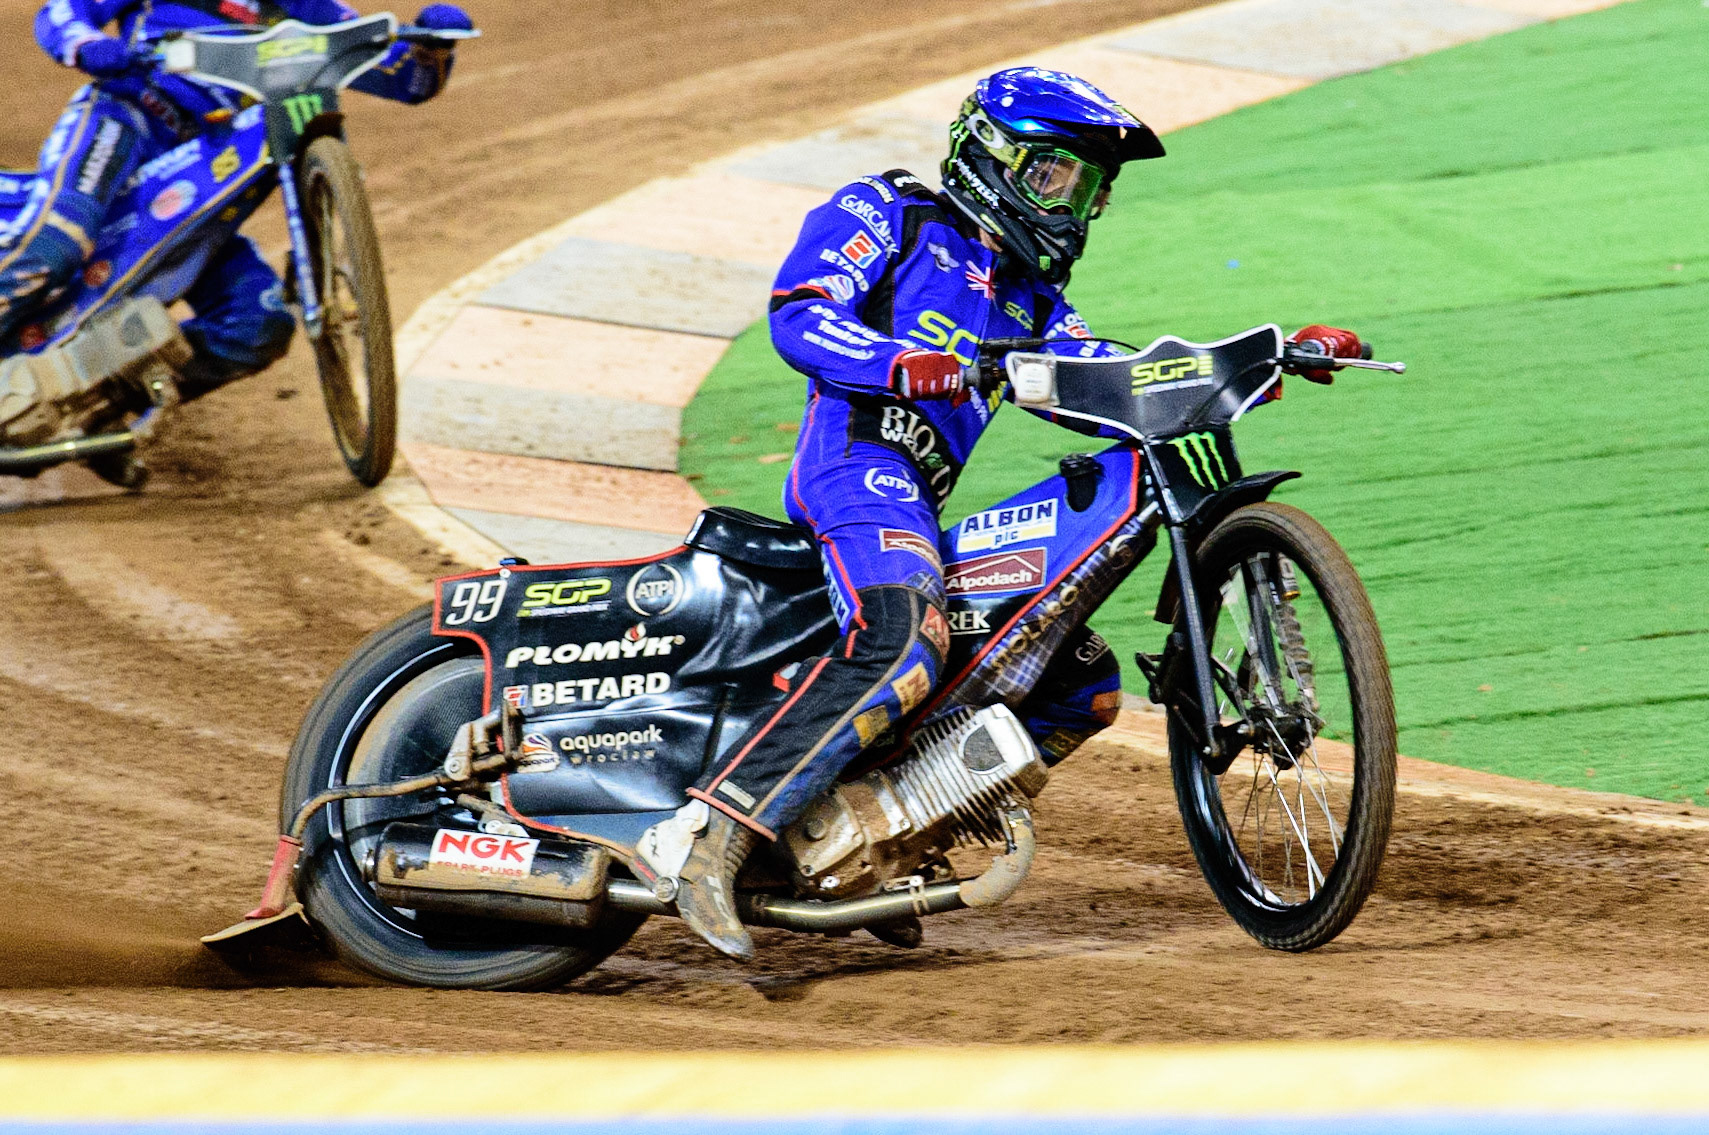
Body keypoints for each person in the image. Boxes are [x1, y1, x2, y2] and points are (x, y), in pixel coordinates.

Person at [671, 68, 1367, 960]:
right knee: (905, 638)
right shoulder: (889, 211)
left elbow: (1116, 382)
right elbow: (798, 316)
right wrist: (896, 362)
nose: (1074, 205)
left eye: (1091, 190)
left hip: (914, 496)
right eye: (1055, 176)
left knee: (1083, 685)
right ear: (991, 156)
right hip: (854, 464)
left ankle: (881, 841)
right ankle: (713, 838)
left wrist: (1264, 362)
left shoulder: (1032, 305)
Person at [0, 0, 472, 395]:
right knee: (55, 242)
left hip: (204, 180)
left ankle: (95, 408)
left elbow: (399, 77)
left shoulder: (303, 6)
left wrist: (432, 47)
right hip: (127, 119)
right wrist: (85, 43)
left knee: (257, 324)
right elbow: (62, 12)